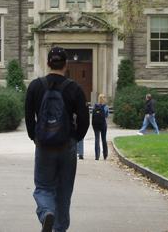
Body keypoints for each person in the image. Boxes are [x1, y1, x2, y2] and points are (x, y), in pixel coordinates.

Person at [25, 47, 89, 232]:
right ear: (66, 65)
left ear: (47, 63)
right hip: (66, 144)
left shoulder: (35, 86)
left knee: (43, 187)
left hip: (44, 144)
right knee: (64, 191)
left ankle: (46, 213)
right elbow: (84, 119)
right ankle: (60, 228)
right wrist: (76, 138)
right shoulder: (74, 88)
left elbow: (29, 116)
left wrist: (34, 136)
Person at [91, 93, 109, 160]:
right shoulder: (106, 107)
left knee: (97, 139)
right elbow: (106, 116)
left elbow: (93, 115)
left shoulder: (95, 106)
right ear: (104, 99)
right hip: (103, 125)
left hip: (96, 125)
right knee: (103, 139)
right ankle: (105, 154)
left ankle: (97, 156)